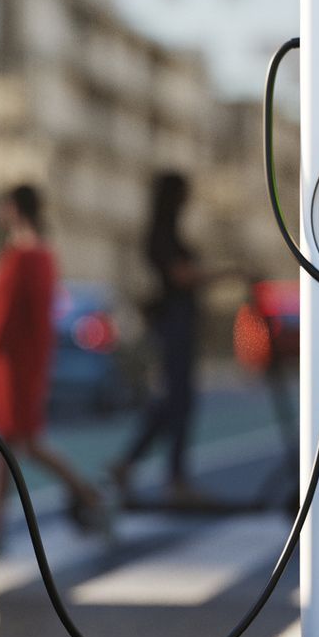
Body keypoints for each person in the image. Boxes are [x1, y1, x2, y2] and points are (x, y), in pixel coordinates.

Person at [0, 184, 108, 532]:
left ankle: (85, 494)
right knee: (11, 443)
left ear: (14, 209)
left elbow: (3, 316)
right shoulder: (41, 253)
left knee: (18, 442)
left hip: (12, 362)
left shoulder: (23, 255)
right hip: (26, 360)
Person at [110, 171, 210, 503]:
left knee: (172, 403)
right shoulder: (162, 234)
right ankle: (173, 478)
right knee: (177, 402)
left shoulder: (166, 232)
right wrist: (223, 274)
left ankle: (129, 465)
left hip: (176, 324)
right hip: (173, 325)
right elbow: (179, 276)